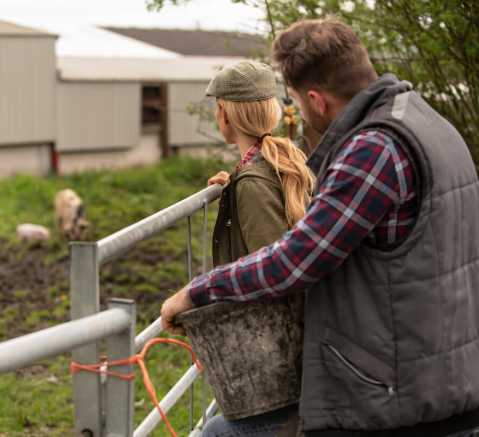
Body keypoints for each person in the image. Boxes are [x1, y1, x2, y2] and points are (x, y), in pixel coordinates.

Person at [161, 17, 479, 437]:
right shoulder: (429, 123)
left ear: (316, 99)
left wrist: (195, 292)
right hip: (445, 377)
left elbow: (293, 261)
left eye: (296, 101)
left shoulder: (374, 148)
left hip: (396, 400)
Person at [197, 60, 314, 436]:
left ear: (226, 115)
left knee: (214, 433)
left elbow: (274, 268)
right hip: (295, 358)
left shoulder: (253, 182)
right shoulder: (276, 164)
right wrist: (232, 185)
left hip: (277, 364)